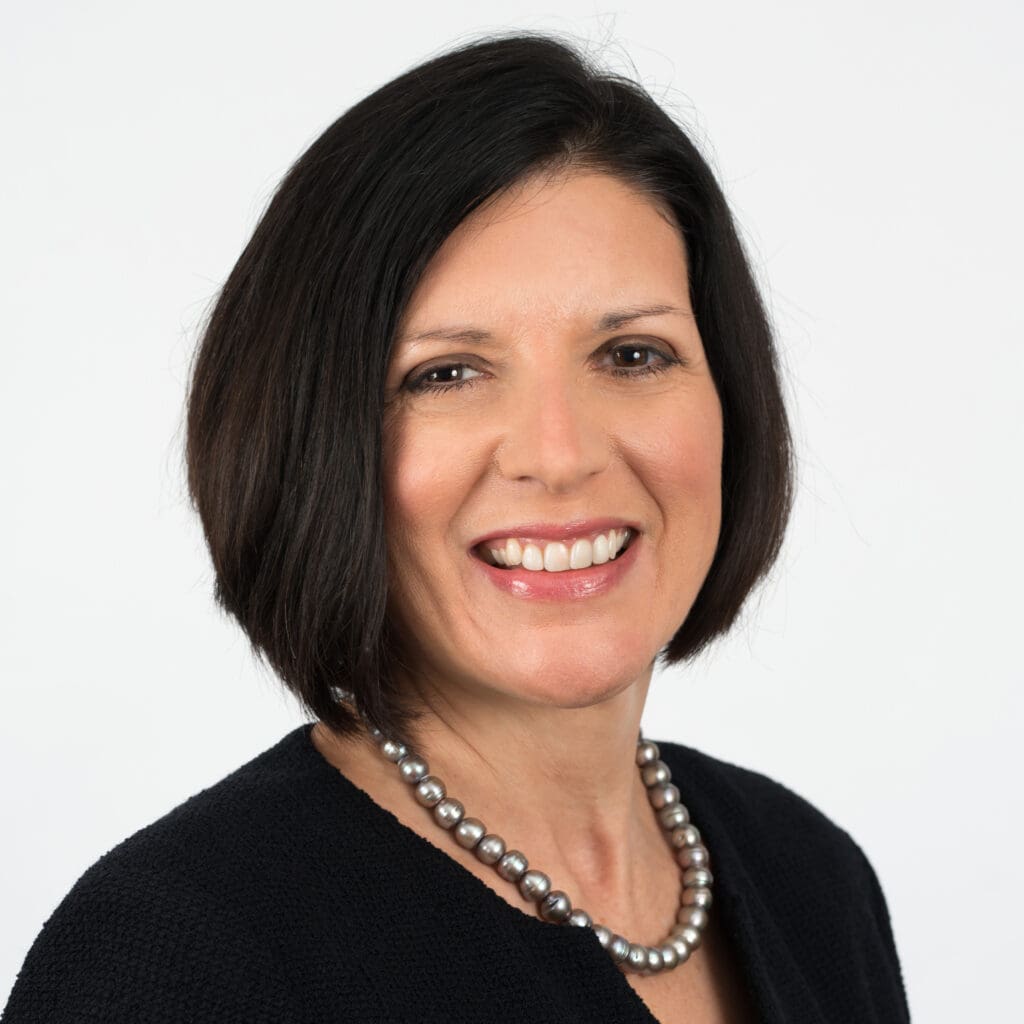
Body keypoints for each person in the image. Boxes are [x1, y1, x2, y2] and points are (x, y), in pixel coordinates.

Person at [2, 31, 910, 1024]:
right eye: (447, 373)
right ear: (319, 440)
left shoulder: (810, 879)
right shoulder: (175, 956)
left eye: (634, 353)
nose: (559, 454)